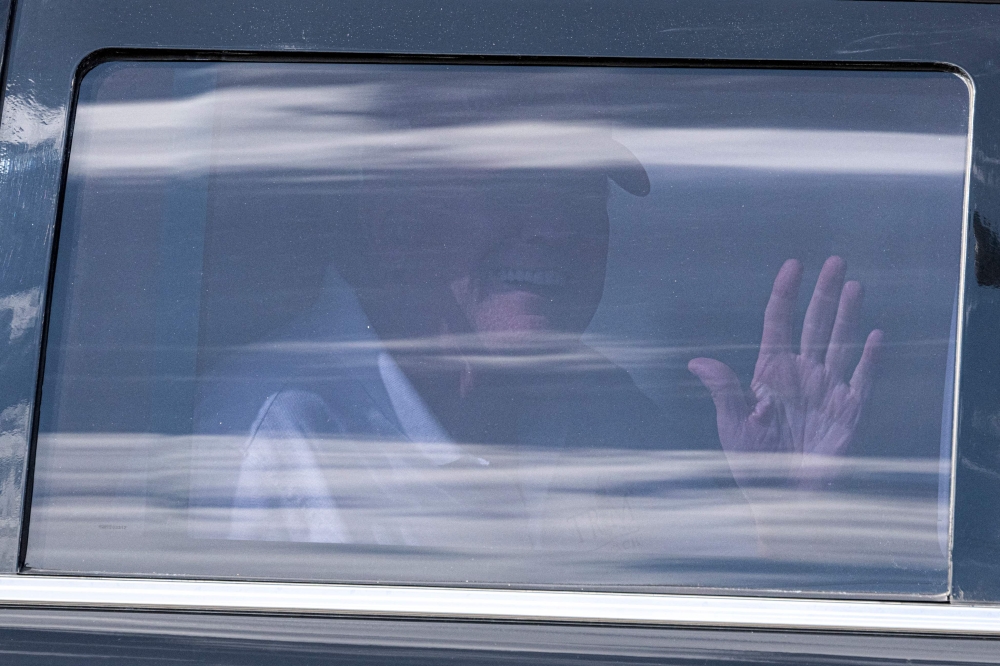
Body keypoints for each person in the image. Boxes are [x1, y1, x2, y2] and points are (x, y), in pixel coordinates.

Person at [192, 127, 882, 574]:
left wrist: (782, 521)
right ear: (393, 217)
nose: (556, 227)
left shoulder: (605, 409)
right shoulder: (283, 430)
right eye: (513, 187)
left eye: (582, 193)